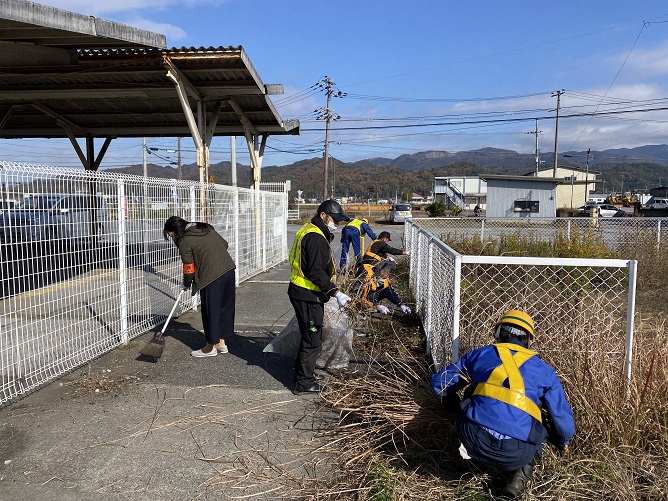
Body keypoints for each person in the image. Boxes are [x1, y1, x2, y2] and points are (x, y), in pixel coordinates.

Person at [431, 310, 575, 498]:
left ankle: (466, 462)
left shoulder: (479, 355)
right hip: (517, 453)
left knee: (472, 394)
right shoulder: (545, 372)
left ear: (498, 334)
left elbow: (440, 383)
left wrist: (457, 409)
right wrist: (561, 442)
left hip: (472, 439)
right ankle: (519, 477)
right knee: (538, 420)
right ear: (528, 341)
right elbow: (563, 424)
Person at [288, 199, 352, 395]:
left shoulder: (309, 229)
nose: (337, 223)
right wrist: (336, 292)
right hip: (308, 295)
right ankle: (304, 383)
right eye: (335, 219)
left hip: (305, 293)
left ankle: (303, 375)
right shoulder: (315, 237)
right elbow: (315, 272)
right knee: (312, 339)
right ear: (323, 215)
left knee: (311, 336)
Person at [163, 216, 236, 358]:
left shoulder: (184, 240)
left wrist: (186, 283)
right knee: (224, 308)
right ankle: (221, 343)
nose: (171, 238)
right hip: (228, 271)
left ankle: (210, 348)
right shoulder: (204, 227)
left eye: (170, 235)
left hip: (211, 277)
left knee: (211, 310)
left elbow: (189, 268)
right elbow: (224, 244)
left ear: (175, 231)